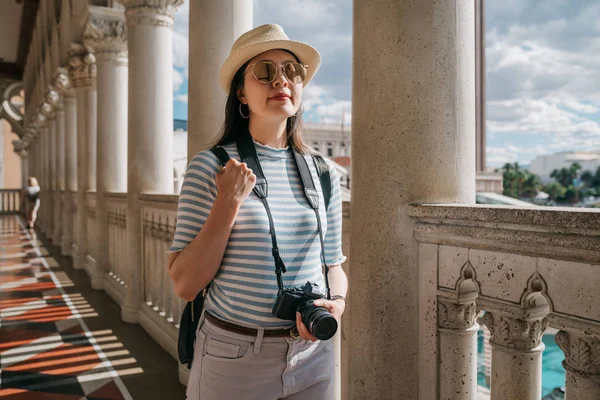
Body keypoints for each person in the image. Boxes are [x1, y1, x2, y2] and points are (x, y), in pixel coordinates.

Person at [167, 24, 348, 400]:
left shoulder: (323, 172)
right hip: (234, 357)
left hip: (312, 355)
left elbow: (332, 264)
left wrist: (338, 303)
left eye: (292, 72)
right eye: (265, 71)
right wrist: (228, 202)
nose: (281, 80)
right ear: (241, 93)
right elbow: (185, 284)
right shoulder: (210, 166)